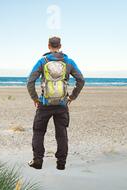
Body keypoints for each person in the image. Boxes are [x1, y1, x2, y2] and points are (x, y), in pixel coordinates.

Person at [27, 36, 85, 170]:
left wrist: (35, 98)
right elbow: (81, 80)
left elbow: (30, 81)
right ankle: (61, 163)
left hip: (44, 104)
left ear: (48, 46)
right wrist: (72, 97)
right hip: (62, 104)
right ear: (60, 46)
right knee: (61, 134)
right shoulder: (69, 62)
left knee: (39, 131)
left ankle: (38, 161)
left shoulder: (42, 61)